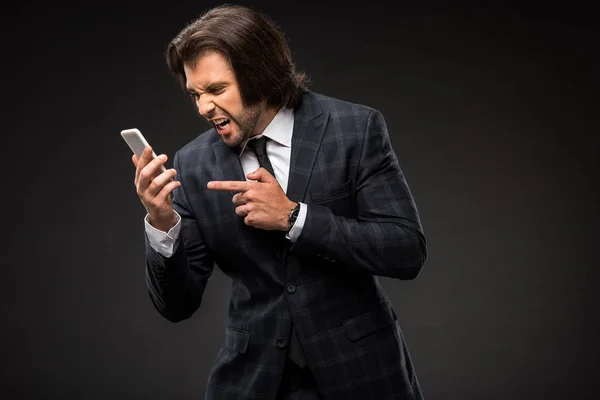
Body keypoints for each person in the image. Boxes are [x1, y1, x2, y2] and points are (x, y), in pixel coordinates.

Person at [132, 4, 427, 399]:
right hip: (253, 381)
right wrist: (162, 222)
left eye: (217, 90)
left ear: (262, 77)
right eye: (195, 94)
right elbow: (177, 305)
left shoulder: (355, 129)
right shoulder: (194, 163)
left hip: (361, 374)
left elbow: (406, 250)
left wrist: (293, 217)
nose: (203, 108)